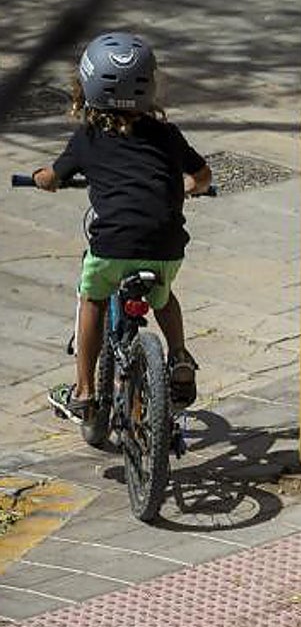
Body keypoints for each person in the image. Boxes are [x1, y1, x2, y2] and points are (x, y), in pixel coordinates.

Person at [34, 31, 211, 433]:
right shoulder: (168, 136)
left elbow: (51, 176)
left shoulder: (88, 139)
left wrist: (41, 178)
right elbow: (202, 175)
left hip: (112, 244)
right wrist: (191, 187)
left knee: (93, 298)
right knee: (163, 298)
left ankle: (83, 391)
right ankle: (179, 356)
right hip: (165, 245)